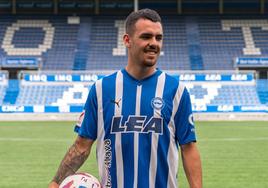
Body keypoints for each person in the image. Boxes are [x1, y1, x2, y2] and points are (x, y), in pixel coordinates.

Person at [49, 8, 202, 188]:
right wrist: (56, 182)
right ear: (127, 40)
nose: (154, 43)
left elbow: (188, 148)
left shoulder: (176, 91)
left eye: (158, 38)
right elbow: (81, 146)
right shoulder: (101, 89)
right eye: (146, 37)